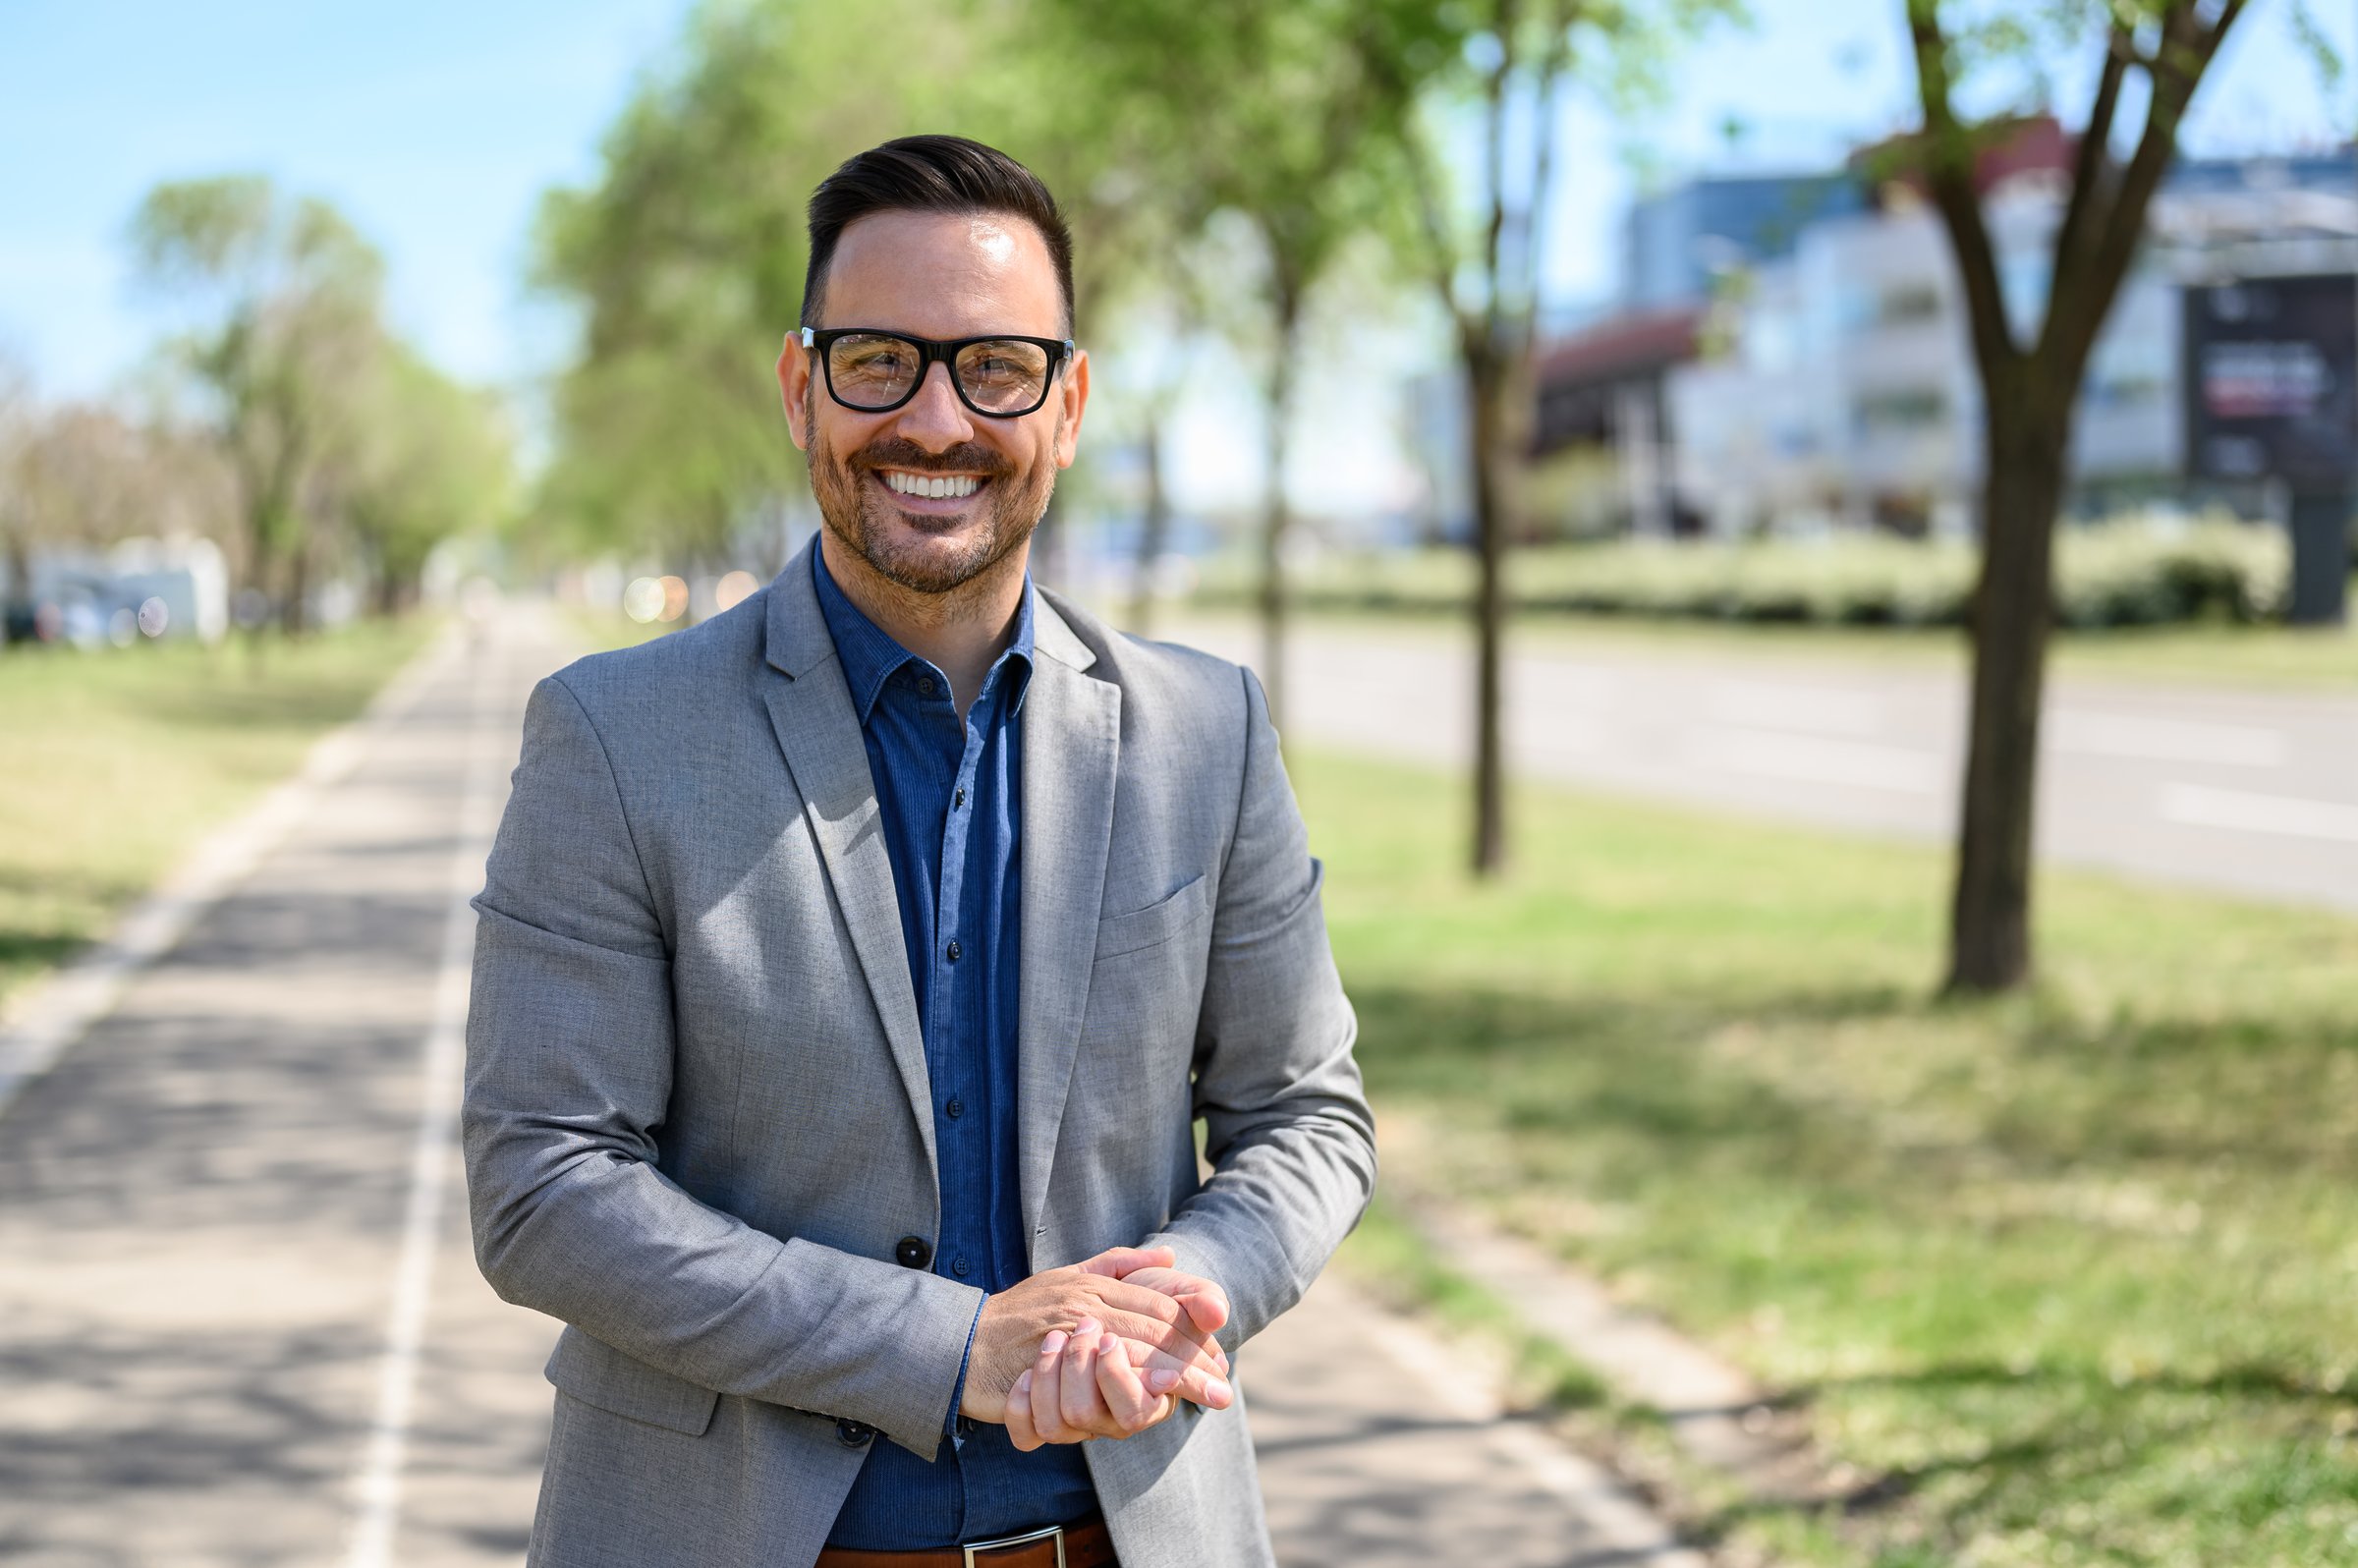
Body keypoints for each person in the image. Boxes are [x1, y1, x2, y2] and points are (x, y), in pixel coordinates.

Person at [463, 134, 1375, 1568]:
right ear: (798, 387)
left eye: (997, 367)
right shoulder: (611, 736)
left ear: (1067, 405)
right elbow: (544, 1188)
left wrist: (1185, 1290)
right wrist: (958, 1349)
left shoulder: (1212, 731)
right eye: (879, 359)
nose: (937, 422)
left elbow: (1308, 1119)